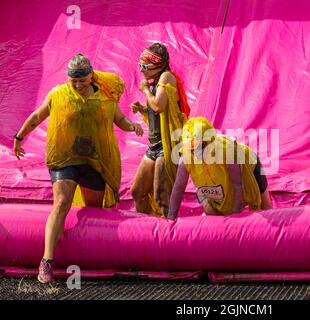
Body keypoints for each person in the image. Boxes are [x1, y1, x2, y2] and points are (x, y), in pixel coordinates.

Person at [13, 54, 143, 283]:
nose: (78, 85)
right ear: (68, 79)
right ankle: (47, 261)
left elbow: (120, 119)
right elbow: (37, 115)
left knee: (94, 210)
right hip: (65, 157)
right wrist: (19, 136)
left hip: (95, 160)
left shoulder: (105, 96)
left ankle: (89, 256)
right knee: (62, 202)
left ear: (90, 76)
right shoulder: (58, 94)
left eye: (82, 80)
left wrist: (132, 125)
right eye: (74, 81)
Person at [167, 117, 272, 220]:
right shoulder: (186, 157)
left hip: (250, 164)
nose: (196, 152)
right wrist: (171, 218)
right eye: (192, 149)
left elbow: (238, 185)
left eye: (201, 146)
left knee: (265, 207)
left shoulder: (227, 151)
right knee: (210, 210)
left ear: (210, 143)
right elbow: (178, 188)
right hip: (217, 180)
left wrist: (234, 218)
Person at [130, 43, 190, 216]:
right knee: (137, 192)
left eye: (145, 67)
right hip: (155, 145)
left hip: (167, 145)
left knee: (161, 197)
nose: (141, 70)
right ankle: (146, 230)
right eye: (140, 65)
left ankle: (164, 235)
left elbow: (159, 106)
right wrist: (142, 108)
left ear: (159, 65)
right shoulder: (156, 80)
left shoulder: (166, 77)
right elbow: (157, 111)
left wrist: (146, 91)